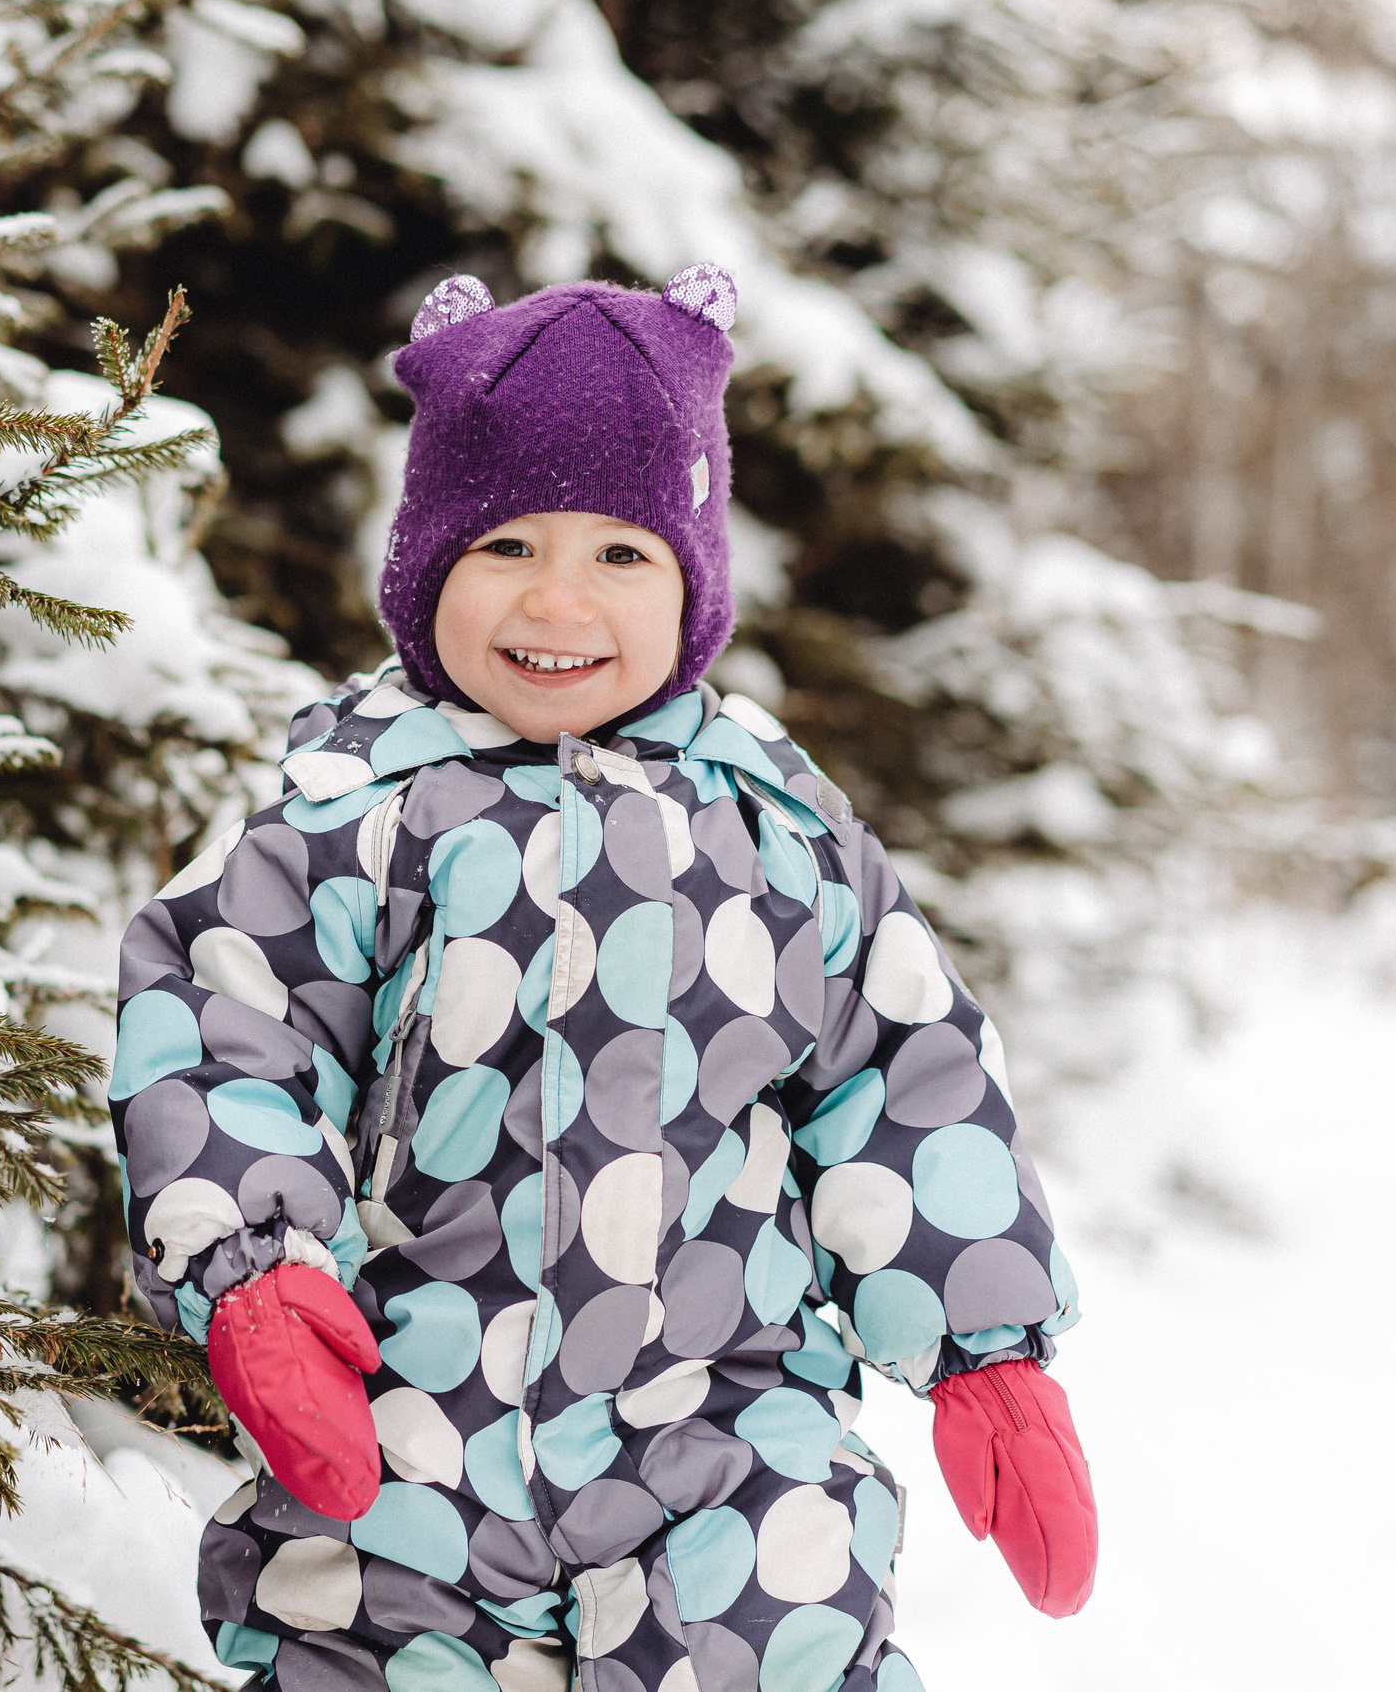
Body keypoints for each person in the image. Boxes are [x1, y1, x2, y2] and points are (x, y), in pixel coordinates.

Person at [110, 266, 1095, 1692]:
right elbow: (220, 1027)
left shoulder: (779, 828)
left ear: (692, 578)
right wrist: (255, 1275)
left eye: (622, 556)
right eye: (506, 543)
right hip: (410, 1409)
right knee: (353, 1633)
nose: (560, 598)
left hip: (721, 1419)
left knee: (785, 1614)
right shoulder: (350, 819)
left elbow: (903, 1072)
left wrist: (985, 1344)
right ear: (426, 561)